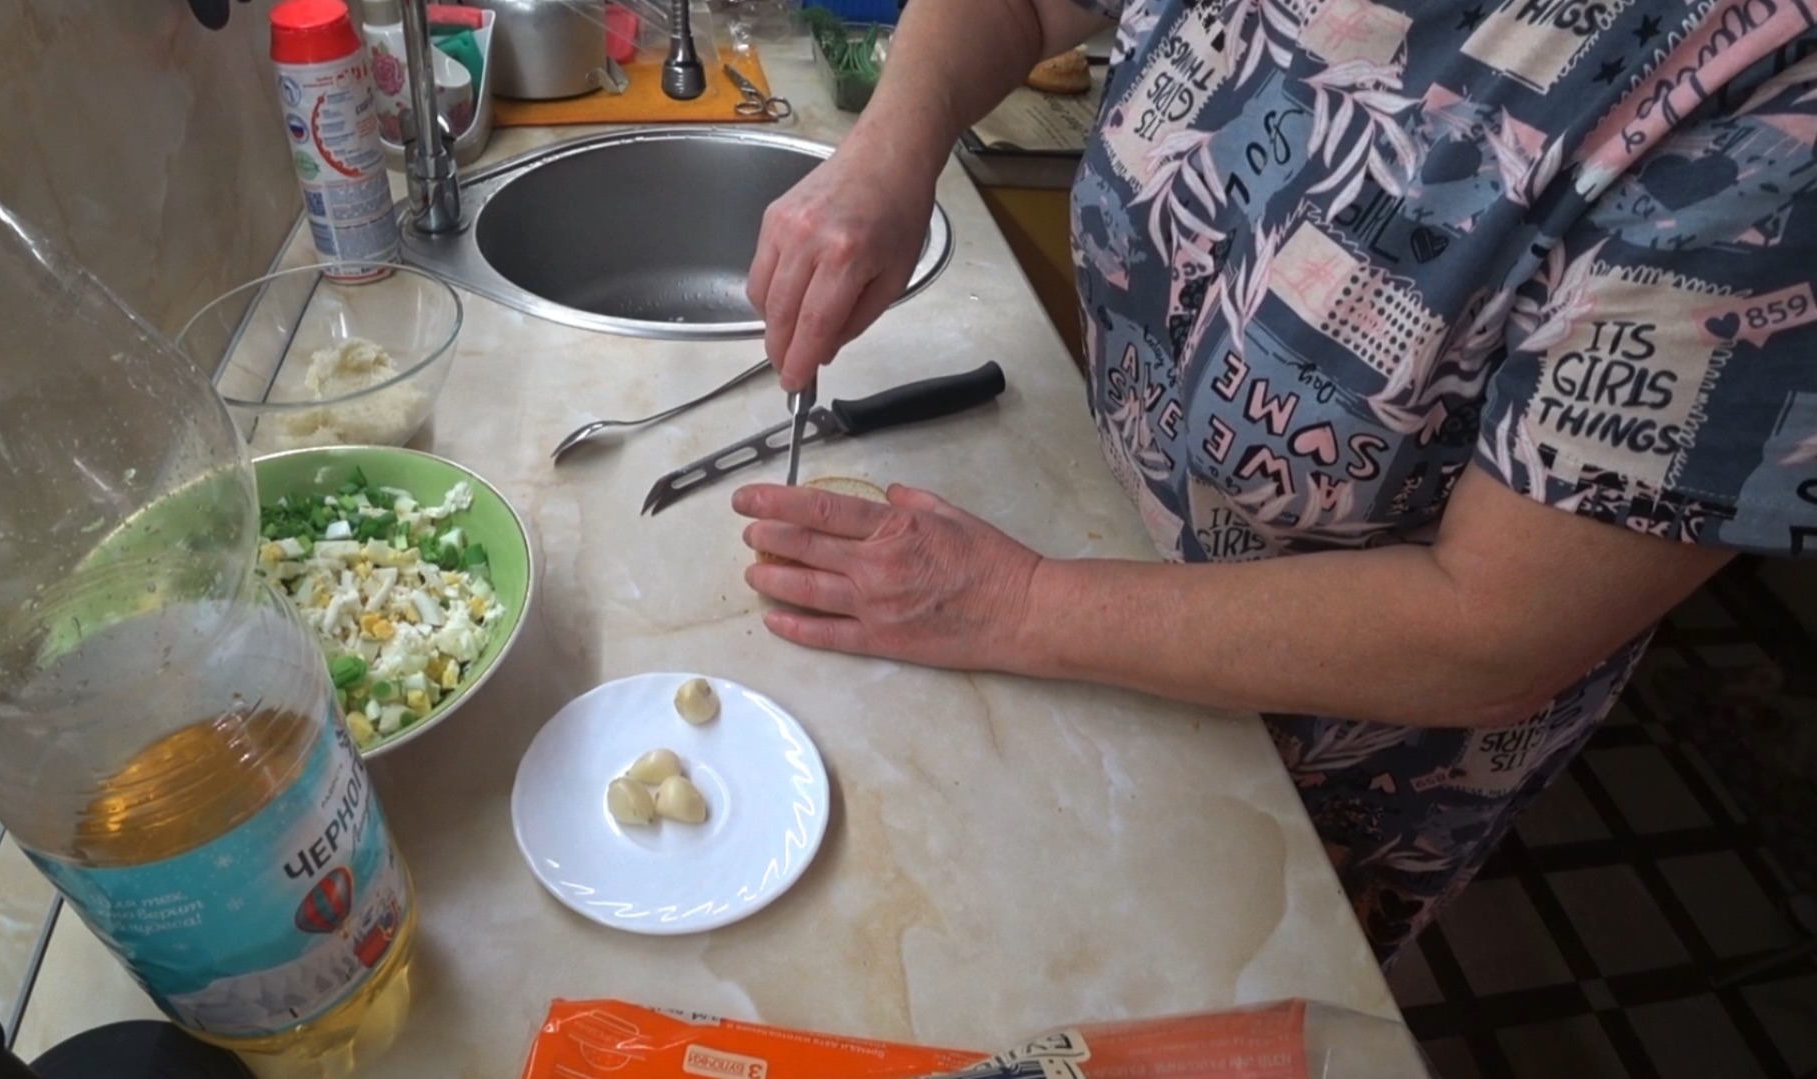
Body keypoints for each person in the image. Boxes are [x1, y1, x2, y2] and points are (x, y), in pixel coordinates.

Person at [732, 0, 1817, 964]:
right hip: (1098, 549)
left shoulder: (1765, 105)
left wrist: (1016, 604)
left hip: (1327, 734)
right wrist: (892, 144)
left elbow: (1494, 629)